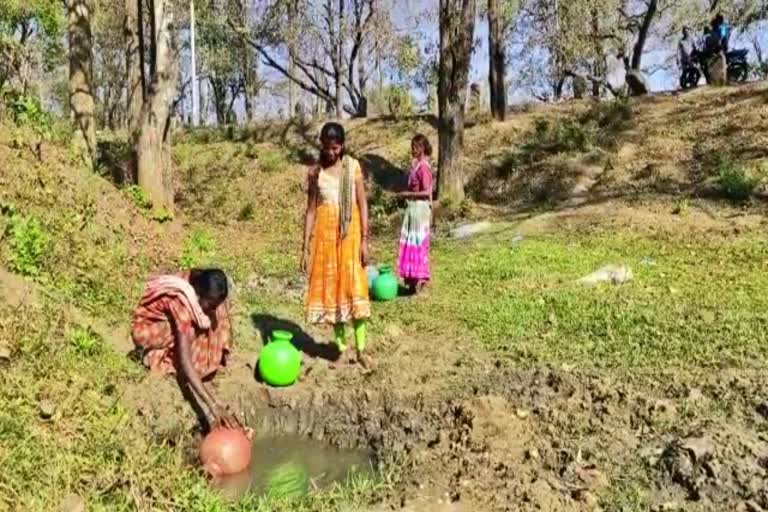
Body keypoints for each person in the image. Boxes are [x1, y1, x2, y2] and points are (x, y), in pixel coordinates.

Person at [301, 122, 372, 369]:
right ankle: (341, 349)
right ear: (321, 144)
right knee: (334, 290)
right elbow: (310, 211)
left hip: (351, 236)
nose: (331, 152)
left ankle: (362, 350)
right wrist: (305, 245)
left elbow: (362, 204)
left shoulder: (352, 168)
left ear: (341, 146)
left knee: (355, 288)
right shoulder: (315, 173)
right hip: (325, 238)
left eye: (336, 147)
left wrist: (364, 240)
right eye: (327, 147)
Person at [131, 268, 240, 428]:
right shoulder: (181, 302)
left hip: (177, 320)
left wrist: (214, 309)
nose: (212, 309)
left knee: (218, 315)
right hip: (149, 330)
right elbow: (185, 360)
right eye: (210, 304)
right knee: (190, 332)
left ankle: (206, 363)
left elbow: (216, 307)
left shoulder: (199, 281)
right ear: (198, 295)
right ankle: (154, 356)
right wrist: (213, 405)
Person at [397, 134, 434, 295]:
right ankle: (411, 280)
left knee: (418, 244)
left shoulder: (424, 167)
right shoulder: (415, 166)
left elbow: (427, 192)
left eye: (416, 147)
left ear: (423, 148)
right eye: (412, 146)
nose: (413, 150)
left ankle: (421, 280)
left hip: (420, 209)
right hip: (413, 208)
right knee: (410, 243)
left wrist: (407, 194)